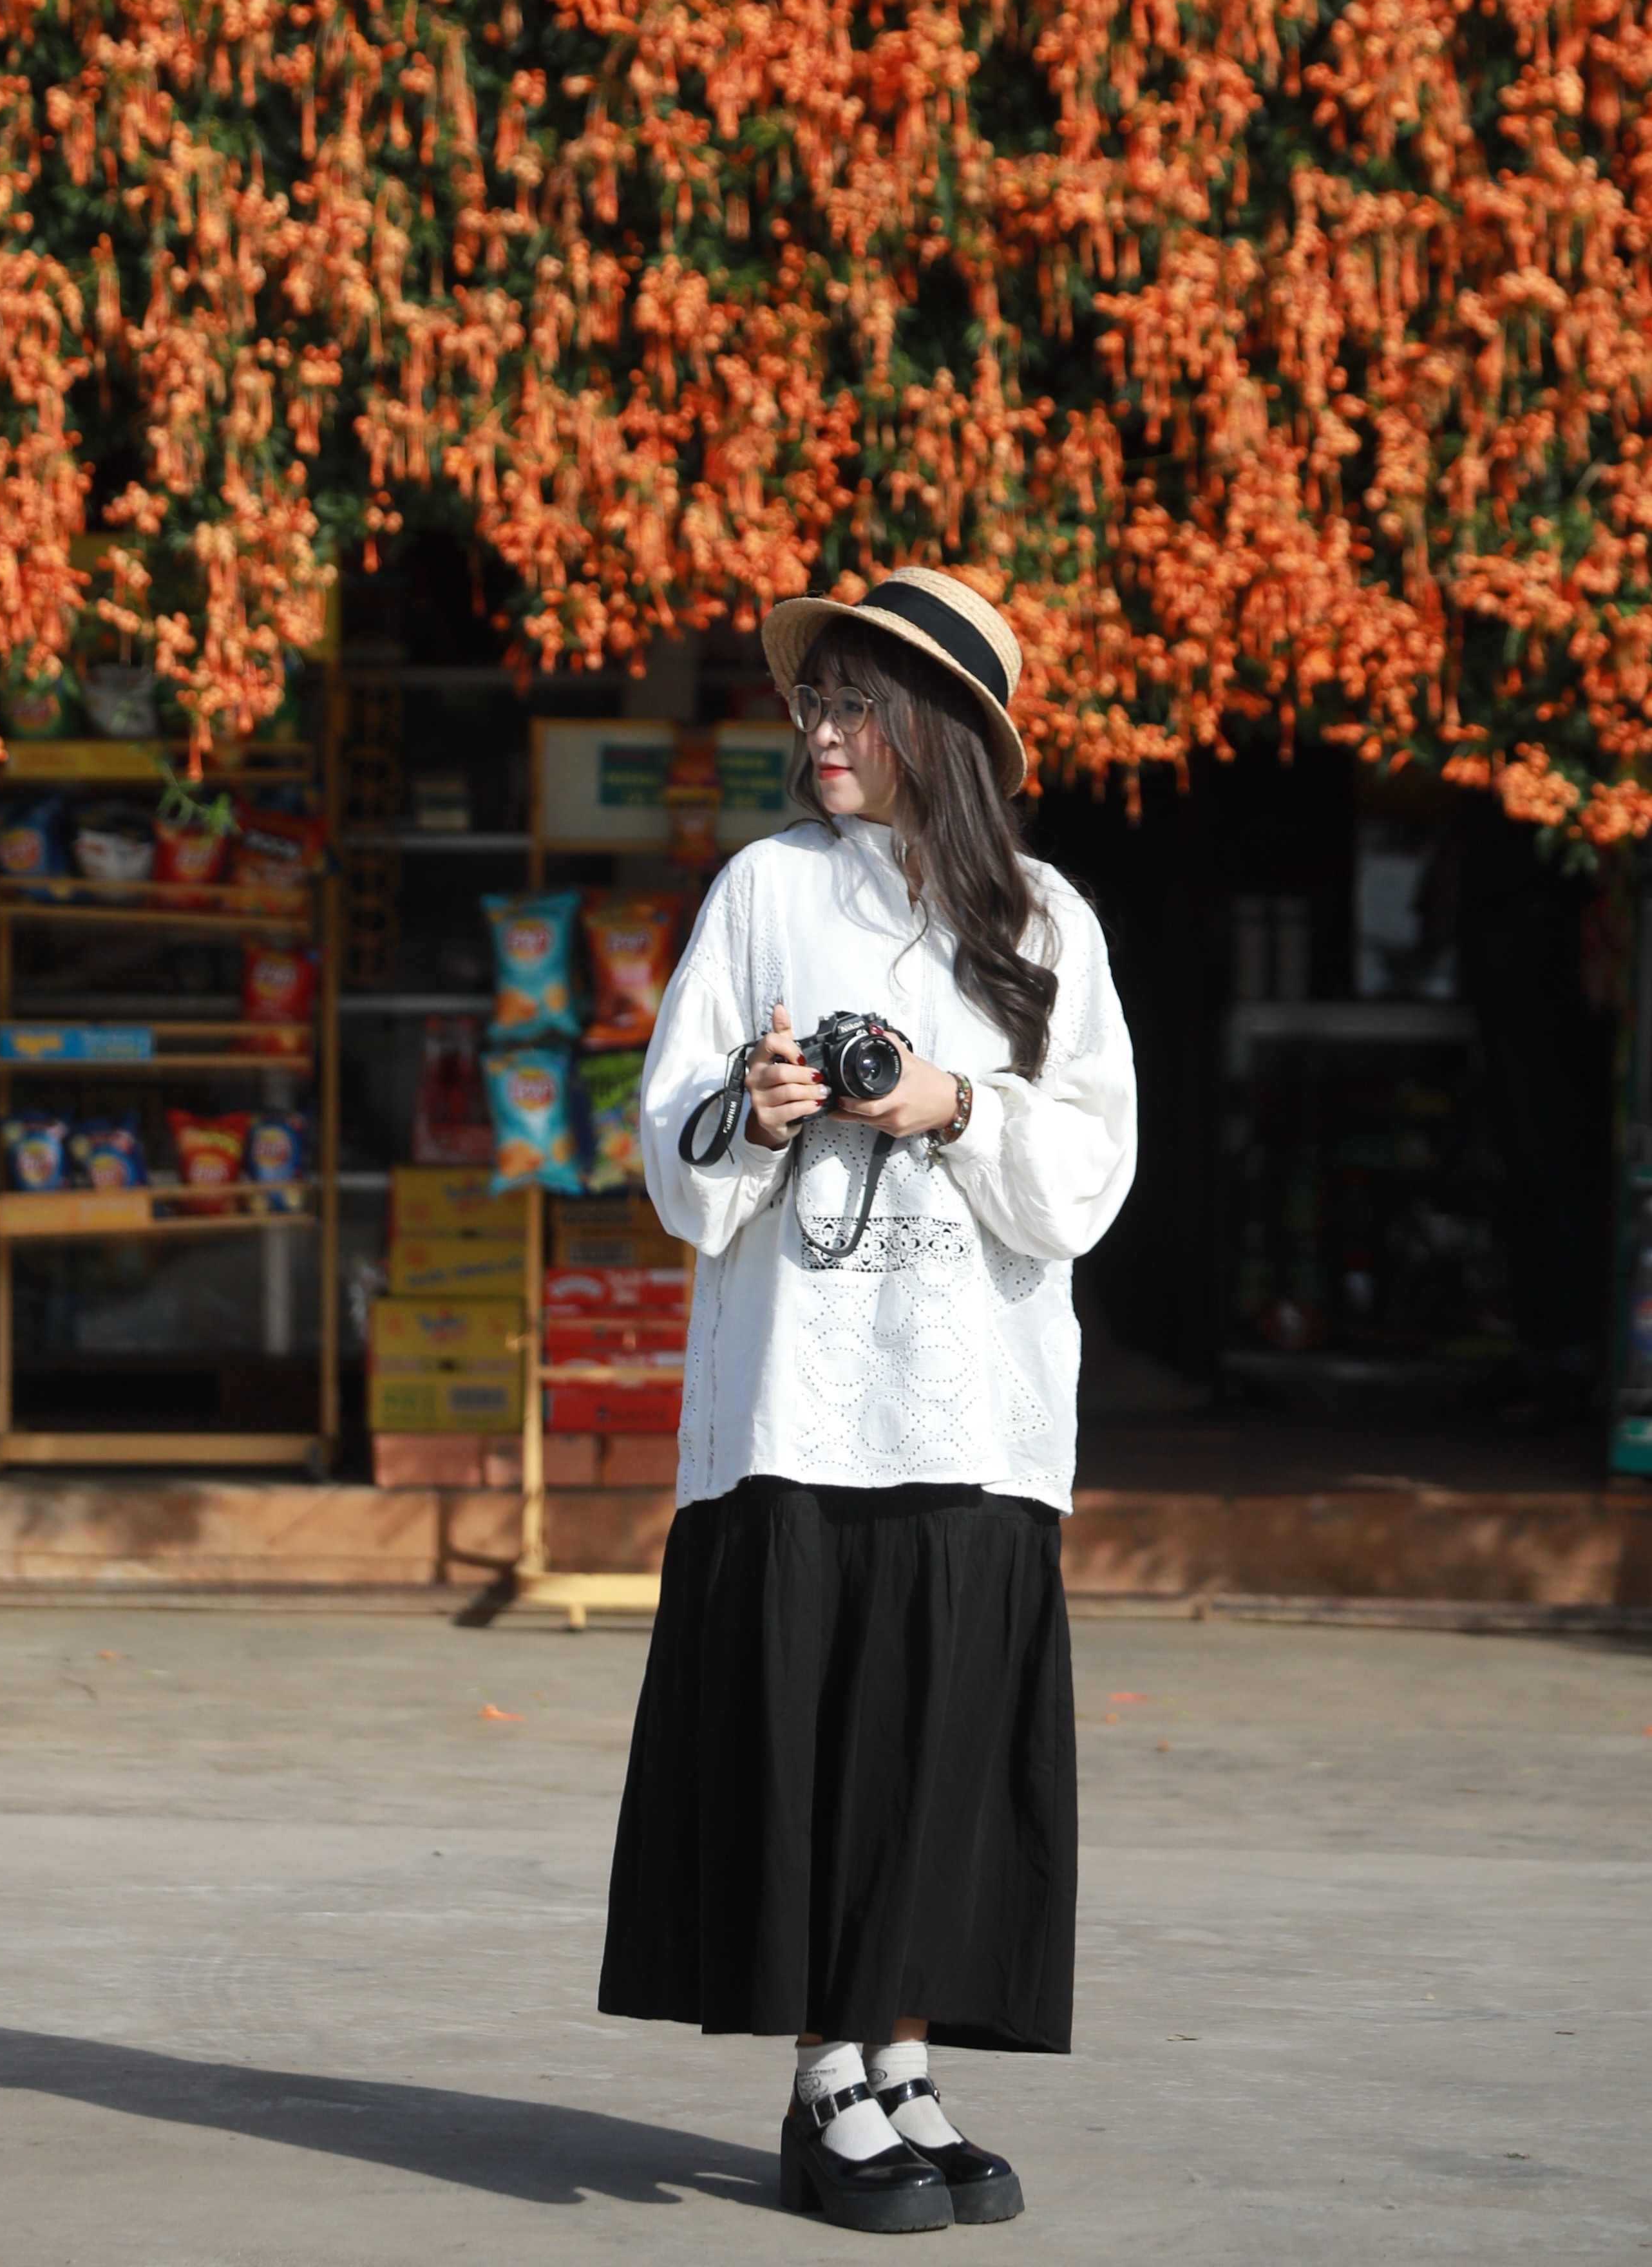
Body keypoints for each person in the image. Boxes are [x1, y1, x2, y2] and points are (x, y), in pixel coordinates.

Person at [600, 569, 1137, 2234]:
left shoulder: (1046, 923)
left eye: (857, 707)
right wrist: (756, 1112)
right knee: (817, 1745)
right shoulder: (764, 890)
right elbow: (670, 1153)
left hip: (975, 1415)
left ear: (947, 732)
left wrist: (949, 1096)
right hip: (796, 1410)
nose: (823, 734)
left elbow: (1090, 1179)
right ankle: (828, 2079)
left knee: (940, 1753)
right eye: (814, 705)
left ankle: (901, 2066)